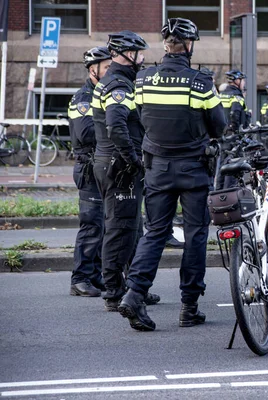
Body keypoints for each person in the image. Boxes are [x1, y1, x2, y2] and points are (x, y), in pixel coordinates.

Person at [118, 18, 226, 331]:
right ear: (188, 45)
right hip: (193, 170)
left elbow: (138, 116)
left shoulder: (142, 79)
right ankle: (188, 307)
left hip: (158, 169)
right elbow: (219, 125)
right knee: (195, 236)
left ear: (166, 45)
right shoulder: (200, 82)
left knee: (154, 233)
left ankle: (135, 293)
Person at [91, 30, 158, 311]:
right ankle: (113, 291)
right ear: (126, 53)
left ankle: (131, 287)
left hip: (111, 163)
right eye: (139, 53)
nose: (142, 58)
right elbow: (117, 127)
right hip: (118, 167)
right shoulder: (118, 84)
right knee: (119, 230)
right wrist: (133, 160)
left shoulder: (118, 81)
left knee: (131, 229)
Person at [68, 46, 112, 297]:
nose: (109, 71)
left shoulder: (101, 94)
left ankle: (95, 276)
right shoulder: (83, 97)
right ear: (92, 70)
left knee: (102, 226)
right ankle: (80, 278)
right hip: (88, 168)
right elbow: (85, 133)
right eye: (105, 67)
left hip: (101, 167)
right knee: (91, 225)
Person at [216, 69, 248, 189]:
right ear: (237, 81)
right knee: (234, 166)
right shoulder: (236, 96)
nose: (244, 83)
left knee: (223, 165)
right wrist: (236, 133)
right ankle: (230, 193)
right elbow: (235, 114)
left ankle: (219, 192)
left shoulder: (221, 95)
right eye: (243, 80)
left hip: (223, 135)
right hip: (234, 137)